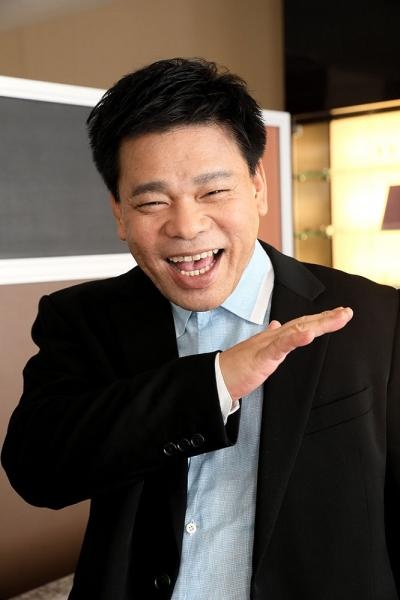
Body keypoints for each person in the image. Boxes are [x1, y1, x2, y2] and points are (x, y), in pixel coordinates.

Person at [1, 58, 399, 600]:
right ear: (119, 213)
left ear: (257, 186)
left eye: (213, 192)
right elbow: (38, 472)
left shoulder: (375, 316)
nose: (186, 227)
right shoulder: (84, 319)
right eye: (152, 201)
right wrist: (215, 383)